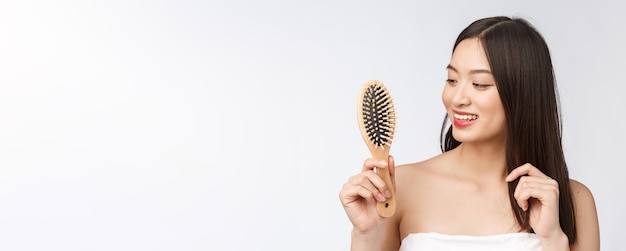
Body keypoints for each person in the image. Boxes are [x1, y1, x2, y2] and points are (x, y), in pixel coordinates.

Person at [339, 16, 600, 251]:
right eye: (452, 80)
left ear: (523, 95)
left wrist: (553, 239)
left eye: (479, 84)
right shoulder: (400, 188)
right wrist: (365, 236)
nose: (457, 98)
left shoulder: (572, 201)